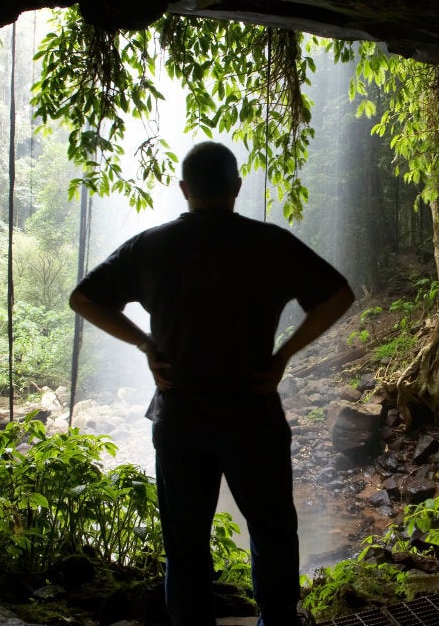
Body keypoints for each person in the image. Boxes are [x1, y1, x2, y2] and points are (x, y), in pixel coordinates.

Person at [69, 141, 354, 626]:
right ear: (237, 188)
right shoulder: (271, 243)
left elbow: (85, 299)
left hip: (180, 417)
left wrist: (146, 345)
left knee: (184, 545)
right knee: (272, 530)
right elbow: (339, 295)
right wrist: (283, 355)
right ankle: (278, 622)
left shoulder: (151, 246)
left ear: (184, 190)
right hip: (253, 414)